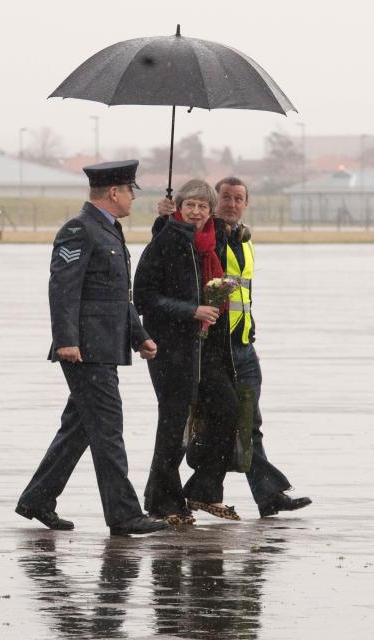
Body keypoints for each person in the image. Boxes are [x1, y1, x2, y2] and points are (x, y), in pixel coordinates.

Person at [16, 160, 168, 537]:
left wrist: (140, 335)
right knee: (108, 430)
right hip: (84, 350)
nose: (133, 196)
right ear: (113, 193)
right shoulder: (79, 230)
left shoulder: (109, 230)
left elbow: (117, 295)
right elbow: (63, 287)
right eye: (130, 190)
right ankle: (124, 515)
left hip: (105, 346)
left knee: (80, 428)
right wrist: (66, 341)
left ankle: (38, 498)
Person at [158, 177, 312, 517]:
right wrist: (166, 217)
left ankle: (263, 494)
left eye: (238, 198)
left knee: (249, 422)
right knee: (224, 420)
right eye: (225, 197)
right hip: (218, 347)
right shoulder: (210, 235)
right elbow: (181, 233)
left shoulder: (245, 240)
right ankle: (190, 490)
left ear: (246, 203)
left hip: (243, 344)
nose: (231, 203)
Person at [134, 179, 222, 525]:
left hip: (194, 346)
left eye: (203, 206)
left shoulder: (204, 244)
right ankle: (164, 501)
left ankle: (163, 496)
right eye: (190, 205)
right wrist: (191, 311)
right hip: (167, 346)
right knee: (172, 422)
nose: (197, 212)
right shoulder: (167, 242)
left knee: (183, 421)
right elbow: (144, 298)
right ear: (179, 207)